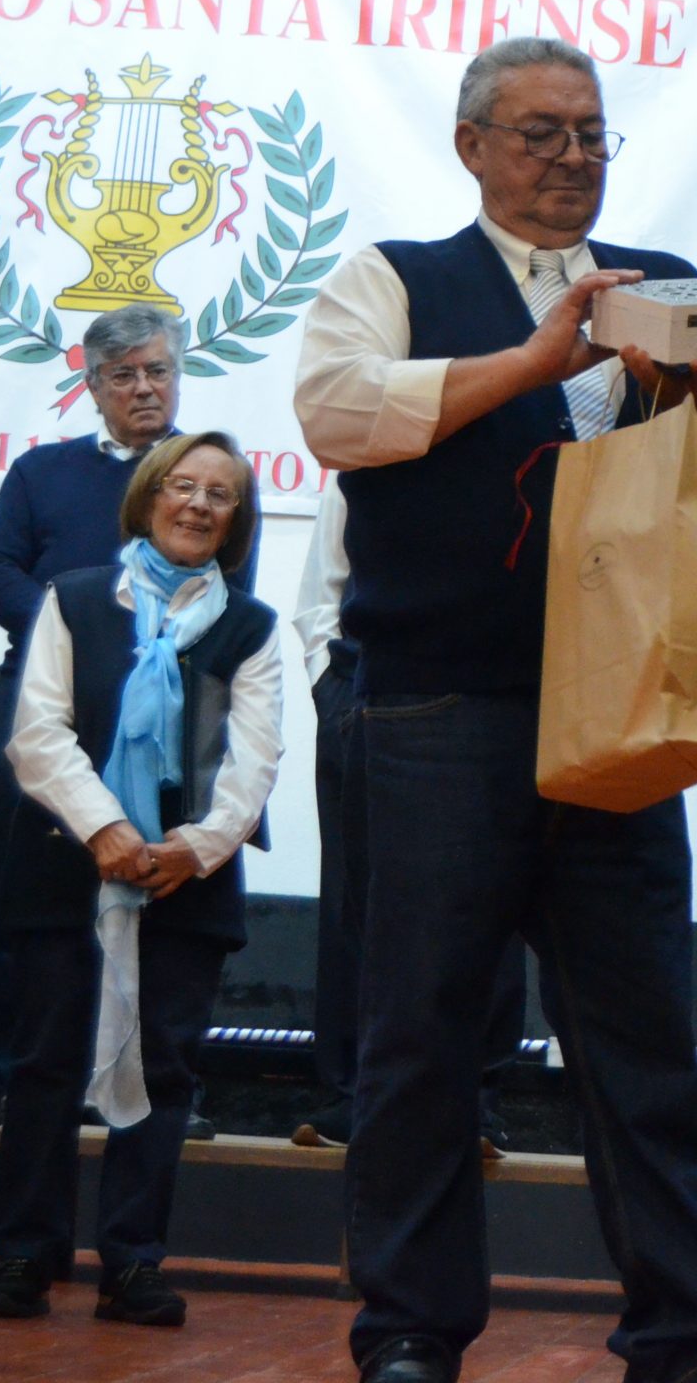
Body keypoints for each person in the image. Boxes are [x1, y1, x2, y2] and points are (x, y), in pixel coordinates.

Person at [293, 34, 697, 1383]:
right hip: (434, 708)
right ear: (472, 146)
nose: (572, 158)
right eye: (540, 133)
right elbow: (336, 412)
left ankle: (687, 1333)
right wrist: (528, 363)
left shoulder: (665, 287)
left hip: (621, 708)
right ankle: (410, 1329)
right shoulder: (394, 276)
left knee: (642, 1041)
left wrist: (689, 401)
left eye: (590, 134)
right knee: (420, 1039)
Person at [0, 304, 257, 1131]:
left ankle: (150, 1085)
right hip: (39, 705)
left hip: (171, 709)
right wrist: (79, 631)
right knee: (12, 889)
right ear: (93, 386)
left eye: (158, 371)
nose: (145, 388)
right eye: (124, 375)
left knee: (160, 902)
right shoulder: (43, 471)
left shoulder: (208, 480)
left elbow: (233, 586)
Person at [0, 433, 282, 1327]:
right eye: (182, 486)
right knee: (45, 1063)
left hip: (188, 882)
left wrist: (195, 846)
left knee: (166, 1070)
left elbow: (255, 759)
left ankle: (133, 1262)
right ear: (148, 497)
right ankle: (26, 1255)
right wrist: (106, 828)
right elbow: (37, 733)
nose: (198, 505)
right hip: (65, 865)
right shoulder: (74, 599)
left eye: (219, 495)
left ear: (236, 520)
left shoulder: (252, 628)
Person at [288, 478, 531, 1155]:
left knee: (491, 895)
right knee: (356, 898)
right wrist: (331, 687)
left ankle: (474, 1100)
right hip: (364, 691)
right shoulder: (372, 446)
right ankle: (353, 1093)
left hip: (493, 692)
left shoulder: (524, 450)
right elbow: (322, 588)